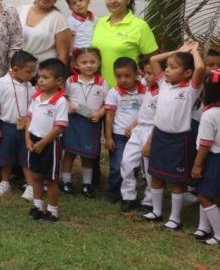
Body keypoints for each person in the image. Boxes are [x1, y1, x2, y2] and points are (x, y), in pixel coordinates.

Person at [141, 43, 204, 231]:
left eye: (173, 67)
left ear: (187, 73)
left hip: (179, 140)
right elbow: (153, 59)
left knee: (176, 182)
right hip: (160, 136)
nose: (167, 70)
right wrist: (179, 51)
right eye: (167, 66)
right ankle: (157, 211)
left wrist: (193, 51)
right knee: (157, 176)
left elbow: (200, 68)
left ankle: (175, 219)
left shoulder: (191, 90)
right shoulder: (163, 84)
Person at [26, 58, 70, 222]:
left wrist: (43, 143)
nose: (41, 80)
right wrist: (27, 139)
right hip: (34, 141)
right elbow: (28, 119)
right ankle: (38, 206)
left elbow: (60, 127)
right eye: (39, 77)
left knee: (50, 180)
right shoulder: (37, 96)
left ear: (59, 81)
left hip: (50, 144)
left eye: (45, 77)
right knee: (35, 176)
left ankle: (52, 211)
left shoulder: (60, 101)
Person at [0, 50, 37, 199]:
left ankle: (31, 186)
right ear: (15, 69)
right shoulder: (2, 83)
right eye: (29, 71)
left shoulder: (30, 85)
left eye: (33, 71)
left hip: (26, 128)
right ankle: (4, 182)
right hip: (7, 126)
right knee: (5, 155)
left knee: (26, 156)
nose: (32, 74)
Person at [90, 0, 159, 87]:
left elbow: (154, 58)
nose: (112, 1)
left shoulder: (140, 26)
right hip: (98, 88)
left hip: (126, 91)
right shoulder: (100, 22)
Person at [60, 48, 107, 198]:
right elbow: (63, 96)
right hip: (73, 121)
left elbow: (108, 103)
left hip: (91, 123)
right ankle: (65, 181)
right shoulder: (70, 81)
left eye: (92, 62)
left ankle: (87, 184)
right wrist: (69, 104)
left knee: (88, 155)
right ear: (76, 64)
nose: (89, 65)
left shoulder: (102, 83)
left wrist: (99, 114)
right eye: (84, 62)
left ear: (99, 63)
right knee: (70, 152)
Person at [104, 57, 147, 203]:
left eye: (127, 76)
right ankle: (113, 193)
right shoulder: (114, 92)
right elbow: (109, 116)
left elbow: (146, 113)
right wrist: (108, 137)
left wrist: (135, 126)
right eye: (118, 76)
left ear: (137, 75)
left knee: (132, 166)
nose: (123, 80)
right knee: (117, 166)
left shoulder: (144, 92)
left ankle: (129, 193)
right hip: (118, 136)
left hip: (138, 135)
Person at [119, 58, 159, 212]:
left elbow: (158, 118)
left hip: (153, 131)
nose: (147, 76)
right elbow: (145, 112)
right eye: (145, 73)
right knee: (127, 162)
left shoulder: (164, 91)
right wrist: (134, 125)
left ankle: (149, 201)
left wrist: (150, 141)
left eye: (151, 73)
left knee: (149, 169)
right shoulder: (147, 86)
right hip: (139, 129)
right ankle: (129, 197)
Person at [192, 69, 220, 245]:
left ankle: (218, 233)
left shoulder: (209, 115)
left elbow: (205, 143)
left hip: (213, 159)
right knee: (214, 195)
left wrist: (197, 165)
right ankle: (204, 227)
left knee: (203, 195)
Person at [17, 0, 71, 67]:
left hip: (43, 75)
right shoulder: (20, 10)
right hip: (17, 70)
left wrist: (60, 77)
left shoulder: (58, 19)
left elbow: (63, 55)